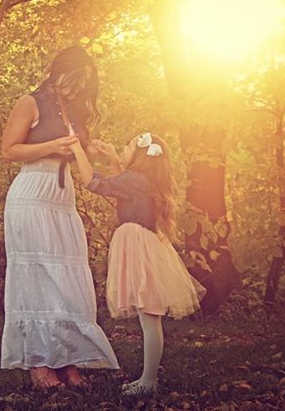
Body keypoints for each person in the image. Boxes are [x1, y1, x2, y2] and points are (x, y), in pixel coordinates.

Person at [0, 46, 119, 389]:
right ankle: (40, 363)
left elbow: (78, 153)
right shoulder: (31, 102)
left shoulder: (74, 111)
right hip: (32, 193)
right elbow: (9, 149)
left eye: (85, 83)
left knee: (66, 280)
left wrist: (88, 147)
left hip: (62, 198)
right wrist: (52, 147)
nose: (80, 87)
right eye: (76, 79)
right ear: (59, 71)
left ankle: (67, 359)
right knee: (38, 277)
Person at [68, 132, 206, 396]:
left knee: (150, 318)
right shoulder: (143, 180)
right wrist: (113, 158)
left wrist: (77, 150)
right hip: (145, 246)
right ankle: (147, 377)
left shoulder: (133, 180)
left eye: (128, 144)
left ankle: (149, 380)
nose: (124, 147)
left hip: (138, 247)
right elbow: (123, 186)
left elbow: (93, 182)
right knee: (149, 318)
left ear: (140, 154)